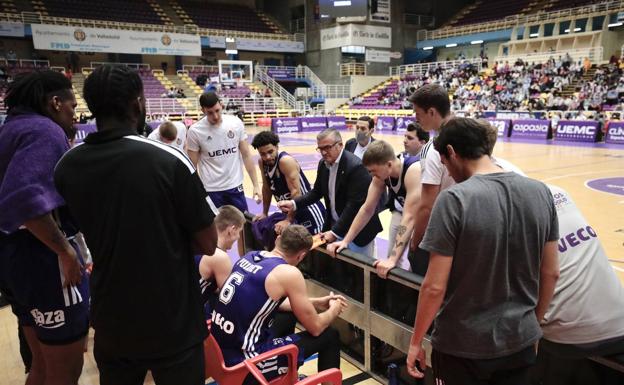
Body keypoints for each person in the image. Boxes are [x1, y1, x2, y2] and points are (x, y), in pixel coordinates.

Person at [54, 65, 218, 385]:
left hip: (112, 320)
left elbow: (72, 228)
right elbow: (208, 244)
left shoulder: (67, 166)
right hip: (173, 321)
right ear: (137, 104)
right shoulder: (169, 160)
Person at [405, 117, 560, 385]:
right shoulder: (541, 192)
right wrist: (531, 327)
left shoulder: (454, 199)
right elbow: (551, 272)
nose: (449, 174)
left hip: (463, 347)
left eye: (444, 165)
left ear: (451, 152)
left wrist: (416, 341)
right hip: (520, 340)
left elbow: (433, 287)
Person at [0, 70, 88, 385]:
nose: (74, 116)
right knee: (64, 372)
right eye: (71, 106)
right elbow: (24, 200)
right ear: (54, 102)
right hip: (43, 262)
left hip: (14, 258)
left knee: (40, 366)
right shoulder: (44, 131)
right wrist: (64, 250)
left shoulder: (10, 129)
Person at [209, 225, 348, 384]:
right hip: (247, 367)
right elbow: (315, 328)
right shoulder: (289, 273)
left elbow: (274, 303)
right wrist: (334, 310)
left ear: (278, 239)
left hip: (219, 354)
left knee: (288, 317)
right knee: (330, 335)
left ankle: (285, 377)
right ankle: (278, 374)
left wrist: (315, 303)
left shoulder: (250, 256)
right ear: (301, 256)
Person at [531, 185, 624, 385]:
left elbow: (550, 274)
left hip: (572, 341)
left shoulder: (518, 212)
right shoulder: (558, 192)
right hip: (619, 321)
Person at [277, 129, 382, 257]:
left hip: (360, 232)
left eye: (327, 147)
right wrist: (293, 203)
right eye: (320, 148)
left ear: (340, 145)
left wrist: (334, 233)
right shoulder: (323, 164)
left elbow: (354, 206)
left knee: (360, 272)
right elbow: (316, 192)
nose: (324, 152)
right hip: (337, 227)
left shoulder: (355, 167)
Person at [327, 140, 421, 276]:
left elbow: (410, 217)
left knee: (417, 262)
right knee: (396, 257)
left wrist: (393, 259)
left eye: (373, 171)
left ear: (389, 164)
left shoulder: (413, 170)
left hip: (430, 217)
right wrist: (345, 241)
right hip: (409, 212)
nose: (371, 175)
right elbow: (366, 209)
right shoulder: (382, 175)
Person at [186, 91, 261, 214]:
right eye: (210, 113)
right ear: (203, 111)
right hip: (211, 189)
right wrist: (196, 191)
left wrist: (256, 185)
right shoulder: (195, 131)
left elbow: (246, 155)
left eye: (217, 110)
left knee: (242, 226)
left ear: (221, 105)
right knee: (215, 228)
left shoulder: (236, 123)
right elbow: (192, 166)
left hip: (235, 186)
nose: (215, 116)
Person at [407, 84, 454, 274]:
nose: (415, 118)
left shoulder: (434, 148)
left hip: (445, 231)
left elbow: (427, 205)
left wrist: (416, 240)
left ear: (432, 112)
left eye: (418, 112)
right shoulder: (470, 134)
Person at [250, 131, 325, 249]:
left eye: (270, 152)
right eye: (262, 154)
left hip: (308, 211)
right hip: (290, 213)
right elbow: (266, 187)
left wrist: (289, 220)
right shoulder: (262, 162)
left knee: (315, 251)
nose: (267, 157)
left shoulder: (285, 161)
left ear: (277, 147)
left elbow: (296, 193)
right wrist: (264, 212)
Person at [197, 205, 246, 317]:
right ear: (232, 230)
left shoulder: (199, 241)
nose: (238, 237)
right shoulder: (219, 257)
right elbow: (229, 298)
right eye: (239, 232)